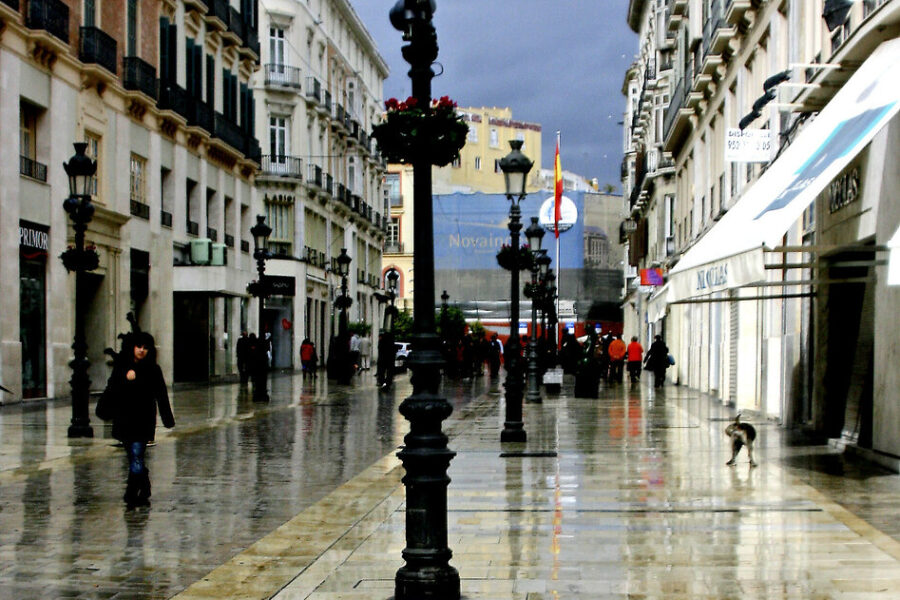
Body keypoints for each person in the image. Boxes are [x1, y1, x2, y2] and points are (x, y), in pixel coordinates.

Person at [99, 331, 175, 507]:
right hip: (124, 420)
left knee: (136, 455)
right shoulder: (122, 367)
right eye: (139, 347)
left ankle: (131, 492)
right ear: (132, 347)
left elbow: (161, 395)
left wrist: (167, 418)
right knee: (133, 456)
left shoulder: (153, 370)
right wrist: (125, 380)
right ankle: (145, 483)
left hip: (143, 420)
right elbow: (111, 389)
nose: (141, 350)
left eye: (145, 348)